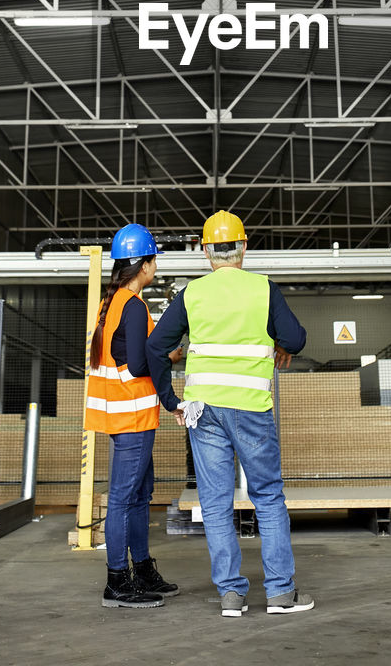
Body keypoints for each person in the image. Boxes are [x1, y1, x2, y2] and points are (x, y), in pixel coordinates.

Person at [146, 210, 314, 617]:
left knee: (216, 503)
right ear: (243, 247)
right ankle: (279, 594)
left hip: (203, 411)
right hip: (252, 410)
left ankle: (231, 596)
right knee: (269, 499)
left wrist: (172, 401)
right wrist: (281, 346)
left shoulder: (192, 293)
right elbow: (295, 338)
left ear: (206, 252)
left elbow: (155, 348)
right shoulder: (263, 288)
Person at [85, 222, 180, 609]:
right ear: (143, 264)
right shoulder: (135, 306)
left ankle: (141, 570)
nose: (155, 265)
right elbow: (140, 364)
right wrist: (170, 357)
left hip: (121, 416)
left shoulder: (113, 303)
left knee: (138, 495)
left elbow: (124, 357)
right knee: (125, 498)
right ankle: (117, 583)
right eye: (154, 259)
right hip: (134, 418)